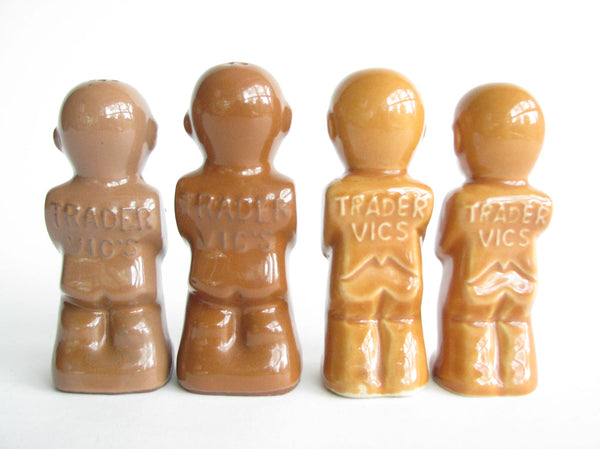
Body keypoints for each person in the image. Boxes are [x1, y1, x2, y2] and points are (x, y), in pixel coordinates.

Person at [176, 63, 301, 395]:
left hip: (208, 293)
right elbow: (288, 236)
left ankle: (202, 371)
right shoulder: (282, 192)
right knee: (273, 350)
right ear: (284, 123)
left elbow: (185, 232)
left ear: (190, 126)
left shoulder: (188, 191)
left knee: (203, 352)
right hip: (267, 295)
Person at [45, 80, 171, 393]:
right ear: (150, 138)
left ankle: (74, 371)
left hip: (79, 294)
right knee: (139, 343)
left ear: (59, 140)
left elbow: (60, 241)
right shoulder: (145, 200)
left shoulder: (58, 200)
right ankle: (142, 371)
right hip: (134, 294)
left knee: (76, 343)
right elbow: (157, 246)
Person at [433, 83, 552, 395]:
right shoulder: (540, 203)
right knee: (516, 325)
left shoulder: (463, 203)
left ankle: (469, 376)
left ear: (460, 139)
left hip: (473, 287)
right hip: (523, 285)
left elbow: (444, 249)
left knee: (471, 327)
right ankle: (518, 376)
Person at [323, 69, 433, 396]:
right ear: (421, 133)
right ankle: (407, 376)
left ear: (333, 130)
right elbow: (429, 241)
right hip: (406, 280)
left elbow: (328, 245)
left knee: (354, 326)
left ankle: (352, 378)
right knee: (403, 323)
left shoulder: (339, 195)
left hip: (352, 281)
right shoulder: (421, 196)